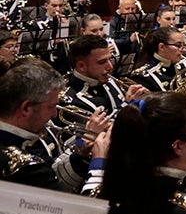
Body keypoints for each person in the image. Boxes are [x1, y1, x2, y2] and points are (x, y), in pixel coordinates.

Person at [0, 57, 108, 191]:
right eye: (51, 107)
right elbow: (73, 203)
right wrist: (98, 164)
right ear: (26, 108)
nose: (54, 114)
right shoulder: (27, 168)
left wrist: (81, 151)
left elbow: (53, 168)